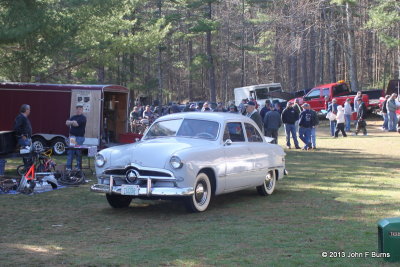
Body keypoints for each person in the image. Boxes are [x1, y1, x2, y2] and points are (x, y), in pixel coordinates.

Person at [65, 104, 87, 170]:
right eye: (77, 109)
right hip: (72, 137)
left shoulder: (83, 118)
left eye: (80, 109)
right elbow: (66, 123)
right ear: (76, 110)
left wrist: (71, 122)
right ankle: (68, 167)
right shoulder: (73, 117)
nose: (78, 110)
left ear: (82, 110)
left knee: (78, 152)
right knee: (71, 152)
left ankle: (78, 167)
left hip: (79, 138)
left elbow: (76, 124)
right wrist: (73, 122)